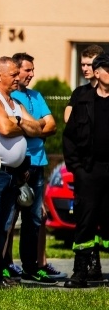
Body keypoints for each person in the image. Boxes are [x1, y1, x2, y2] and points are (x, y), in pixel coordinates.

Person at [0, 56, 44, 287]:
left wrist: (18, 120)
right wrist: (21, 123)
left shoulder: (14, 103)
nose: (18, 78)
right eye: (13, 74)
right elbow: (3, 127)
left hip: (13, 173)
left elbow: (38, 128)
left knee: (4, 227)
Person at [8, 53, 60, 283]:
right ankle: (5, 264)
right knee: (9, 218)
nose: (32, 74)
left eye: (32, 69)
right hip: (19, 164)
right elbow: (14, 127)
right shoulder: (9, 98)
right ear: (15, 71)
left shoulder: (36, 96)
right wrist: (36, 125)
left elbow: (51, 126)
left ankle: (31, 266)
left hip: (39, 163)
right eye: (27, 70)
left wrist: (32, 126)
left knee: (34, 219)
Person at [62, 53, 109, 287]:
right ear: (98, 73)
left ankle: (99, 269)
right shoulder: (82, 100)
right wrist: (77, 169)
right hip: (89, 171)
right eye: (107, 69)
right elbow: (69, 138)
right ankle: (80, 272)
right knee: (85, 221)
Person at [64, 45, 104, 123]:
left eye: (89, 65)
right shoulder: (79, 92)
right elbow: (67, 117)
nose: (84, 69)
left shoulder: (106, 91)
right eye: (83, 65)